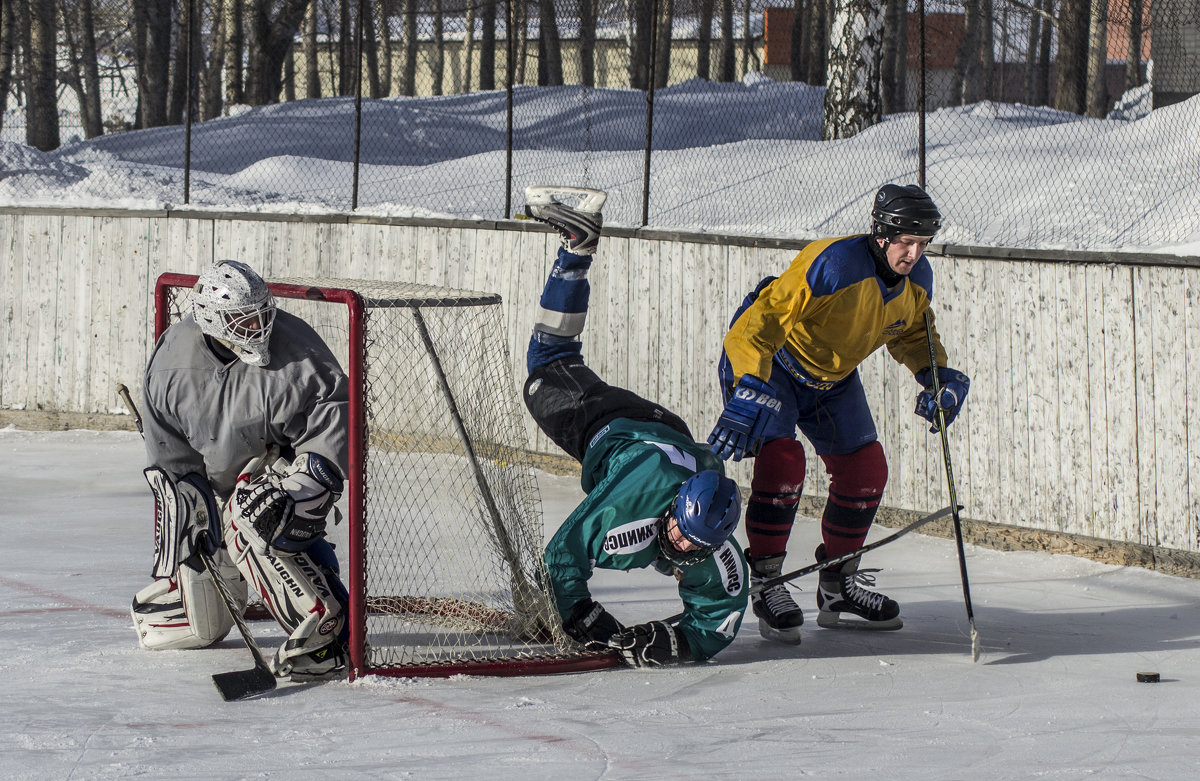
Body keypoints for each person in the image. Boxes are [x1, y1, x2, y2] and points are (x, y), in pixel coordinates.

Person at [707, 184, 970, 644]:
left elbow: (911, 333)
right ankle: (767, 582)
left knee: (867, 469)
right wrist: (747, 382)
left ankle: (837, 586)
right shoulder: (832, 263)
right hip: (778, 367)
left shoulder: (917, 280)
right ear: (882, 235)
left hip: (834, 378)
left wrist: (936, 373)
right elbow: (760, 322)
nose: (914, 253)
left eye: (923, 244)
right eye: (905, 242)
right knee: (785, 462)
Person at [521, 186, 749, 667]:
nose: (684, 546)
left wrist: (675, 642)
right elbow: (562, 555)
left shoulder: (716, 548)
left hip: (670, 430)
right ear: (674, 508)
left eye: (695, 545)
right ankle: (576, 246)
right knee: (546, 368)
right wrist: (580, 614)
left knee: (555, 360)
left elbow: (718, 623)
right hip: (616, 427)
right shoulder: (631, 501)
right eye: (683, 533)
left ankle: (576, 246)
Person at [130, 259, 352, 682]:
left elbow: (333, 421)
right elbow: (170, 456)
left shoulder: (299, 351)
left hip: (277, 475)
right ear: (213, 320)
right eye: (244, 319)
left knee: (254, 517)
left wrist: (304, 491)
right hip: (215, 484)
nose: (259, 326)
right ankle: (188, 591)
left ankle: (327, 628)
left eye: (263, 313)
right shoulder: (171, 360)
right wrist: (189, 518)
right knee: (202, 624)